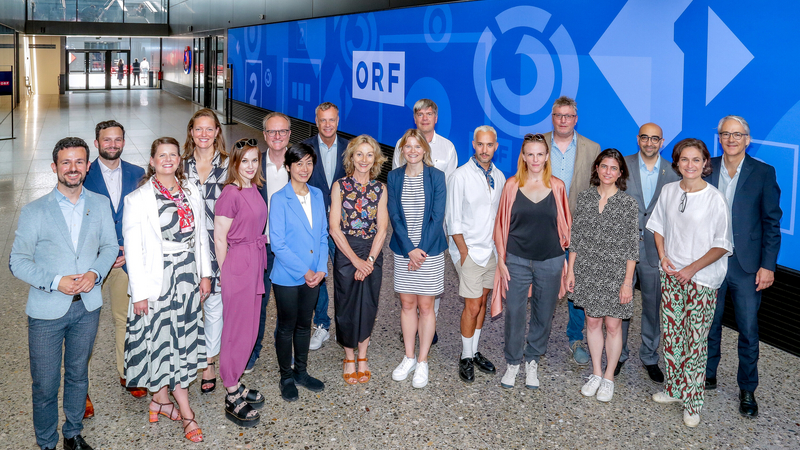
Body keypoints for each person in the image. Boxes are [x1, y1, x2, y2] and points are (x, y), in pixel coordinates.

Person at [10, 137, 118, 450]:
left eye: (79, 162)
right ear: (55, 167)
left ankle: (72, 433)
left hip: (87, 307)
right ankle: (46, 443)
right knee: (44, 384)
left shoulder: (98, 204)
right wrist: (56, 281)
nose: (73, 168)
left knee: (77, 374)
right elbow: (17, 261)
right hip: (46, 311)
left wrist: (95, 274)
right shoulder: (35, 211)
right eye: (66, 162)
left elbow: (110, 246)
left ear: (88, 165)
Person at [123, 137, 211, 443]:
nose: (169, 159)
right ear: (152, 161)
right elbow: (134, 251)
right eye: (162, 155)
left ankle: (160, 400)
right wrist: (140, 293)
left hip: (188, 275)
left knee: (181, 340)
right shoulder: (138, 199)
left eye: (173, 154)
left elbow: (201, 237)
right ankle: (186, 412)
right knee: (163, 342)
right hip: (157, 281)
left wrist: (206, 274)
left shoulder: (191, 191)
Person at [646, 138, 733, 428]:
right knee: (672, 338)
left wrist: (691, 270)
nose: (690, 165)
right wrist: (663, 256)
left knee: (695, 342)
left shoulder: (714, 198)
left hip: (702, 280)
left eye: (696, 160)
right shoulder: (670, 190)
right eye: (685, 159)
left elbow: (722, 245)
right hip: (672, 276)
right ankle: (674, 389)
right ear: (677, 162)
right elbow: (658, 226)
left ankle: (693, 402)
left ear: (705, 163)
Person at [704, 116, 782, 418]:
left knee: (748, 330)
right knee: (709, 323)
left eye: (738, 134)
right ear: (719, 138)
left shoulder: (763, 172)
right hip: (710, 262)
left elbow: (771, 223)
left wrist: (768, 265)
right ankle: (708, 375)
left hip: (747, 266)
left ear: (748, 140)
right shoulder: (706, 166)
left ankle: (747, 389)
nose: (731, 139)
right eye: (725, 134)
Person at [491, 133, 571, 390]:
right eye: (530, 154)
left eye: (540, 154)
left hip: (550, 260)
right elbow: (501, 224)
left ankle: (533, 359)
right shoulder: (512, 185)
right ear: (523, 156)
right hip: (516, 259)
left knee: (543, 313)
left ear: (547, 157)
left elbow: (565, 226)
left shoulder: (558, 186)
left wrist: (565, 262)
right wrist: (501, 260)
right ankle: (513, 361)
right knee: (514, 311)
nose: (535, 159)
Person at [567, 149, 639, 402]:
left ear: (620, 173)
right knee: (593, 323)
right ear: (596, 168)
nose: (608, 172)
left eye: (614, 168)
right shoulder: (585, 198)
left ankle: (609, 377)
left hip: (616, 274)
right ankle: (596, 373)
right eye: (604, 166)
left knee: (613, 325)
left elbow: (632, 247)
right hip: (587, 270)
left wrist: (627, 282)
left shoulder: (628, 204)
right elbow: (576, 238)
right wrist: (571, 271)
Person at [83, 120, 147, 400]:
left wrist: (124, 249)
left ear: (124, 141)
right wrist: (106, 251)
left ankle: (127, 372)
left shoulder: (138, 172)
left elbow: (144, 217)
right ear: (96, 143)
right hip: (89, 260)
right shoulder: (82, 174)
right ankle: (80, 389)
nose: (112, 145)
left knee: (124, 316)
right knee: (83, 323)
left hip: (126, 258)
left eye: (117, 139)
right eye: (106, 140)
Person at [392, 99, 458, 345]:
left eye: (429, 113)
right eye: (419, 114)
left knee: (430, 294)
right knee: (408, 299)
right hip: (405, 237)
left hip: (433, 230)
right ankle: (411, 326)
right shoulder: (402, 145)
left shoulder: (448, 148)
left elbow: (447, 188)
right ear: (415, 118)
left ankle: (429, 324)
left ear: (436, 117)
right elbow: (398, 192)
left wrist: (427, 242)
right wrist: (409, 248)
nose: (424, 118)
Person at [619, 123, 680, 382]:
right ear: (638, 139)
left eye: (655, 138)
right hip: (623, 249)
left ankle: (649, 356)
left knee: (653, 306)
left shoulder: (674, 172)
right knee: (620, 303)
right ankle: (618, 354)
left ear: (662, 142)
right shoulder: (621, 165)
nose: (649, 142)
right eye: (645, 137)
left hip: (657, 250)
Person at [446, 125, 506, 383]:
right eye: (480, 144)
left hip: (490, 251)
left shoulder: (500, 177)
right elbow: (452, 219)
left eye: (489, 145)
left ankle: (474, 350)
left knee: (482, 302)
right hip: (468, 250)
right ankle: (465, 357)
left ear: (496, 147)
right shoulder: (460, 176)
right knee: (471, 305)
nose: (484, 150)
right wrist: (463, 253)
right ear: (473, 144)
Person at [214, 139, 268, 426]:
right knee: (236, 330)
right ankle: (231, 391)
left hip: (255, 260)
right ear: (234, 163)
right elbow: (220, 238)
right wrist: (228, 274)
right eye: (244, 161)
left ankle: (235, 380)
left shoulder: (254, 188)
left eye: (254, 160)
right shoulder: (230, 193)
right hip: (238, 264)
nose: (250, 166)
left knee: (250, 329)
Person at [543, 96, 600, 365]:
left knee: (575, 287)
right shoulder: (537, 144)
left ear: (575, 119)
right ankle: (537, 335)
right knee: (542, 284)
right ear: (552, 118)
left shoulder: (592, 148)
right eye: (558, 115)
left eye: (568, 116)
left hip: (579, 230)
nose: (563, 120)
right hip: (543, 229)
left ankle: (575, 337)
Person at [388, 129, 447, 389]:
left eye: (417, 146)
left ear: (425, 149)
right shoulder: (393, 177)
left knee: (426, 306)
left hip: (430, 253)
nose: (412, 150)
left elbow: (437, 217)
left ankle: (423, 361)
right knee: (407, 304)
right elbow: (394, 216)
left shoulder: (437, 177)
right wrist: (410, 249)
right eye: (407, 146)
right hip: (403, 251)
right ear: (402, 150)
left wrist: (420, 250)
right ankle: (409, 357)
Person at [269, 143, 328, 402]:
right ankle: (286, 377)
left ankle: (301, 372)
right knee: (286, 327)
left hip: (314, 276)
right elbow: (278, 243)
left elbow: (324, 236)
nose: (304, 169)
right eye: (298, 163)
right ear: (288, 167)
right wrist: (305, 271)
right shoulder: (280, 198)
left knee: (305, 326)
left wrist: (321, 269)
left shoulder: (317, 195)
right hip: (288, 277)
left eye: (308, 163)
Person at [329, 135, 388, 384]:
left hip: (372, 251)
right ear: (351, 157)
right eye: (359, 154)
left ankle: (362, 356)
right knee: (346, 305)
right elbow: (334, 228)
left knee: (368, 305)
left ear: (375, 159)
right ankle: (348, 355)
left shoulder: (380, 189)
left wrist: (370, 260)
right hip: (347, 252)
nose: (364, 160)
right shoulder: (339, 186)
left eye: (369, 154)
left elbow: (383, 229)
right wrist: (356, 261)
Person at [182, 108, 228, 394]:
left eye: (209, 129)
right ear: (191, 132)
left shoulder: (228, 165)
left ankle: (208, 361)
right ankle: (184, 359)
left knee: (214, 307)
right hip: (186, 247)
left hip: (219, 245)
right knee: (187, 305)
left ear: (217, 132)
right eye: (198, 129)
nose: (203, 134)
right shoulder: (179, 165)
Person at [246, 111, 290, 373]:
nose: (277, 136)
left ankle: (286, 354)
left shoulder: (299, 163)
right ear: (264, 135)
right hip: (261, 247)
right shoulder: (254, 164)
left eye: (282, 131)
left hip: (289, 248)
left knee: (288, 305)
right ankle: (253, 351)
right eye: (272, 132)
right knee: (258, 303)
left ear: (288, 135)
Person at [303, 102, 349, 351]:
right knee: (317, 277)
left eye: (332, 120)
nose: (328, 124)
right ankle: (321, 324)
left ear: (338, 120)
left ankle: (346, 326)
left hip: (343, 227)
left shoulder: (350, 149)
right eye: (323, 120)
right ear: (316, 120)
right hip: (315, 225)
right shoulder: (305, 148)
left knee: (345, 276)